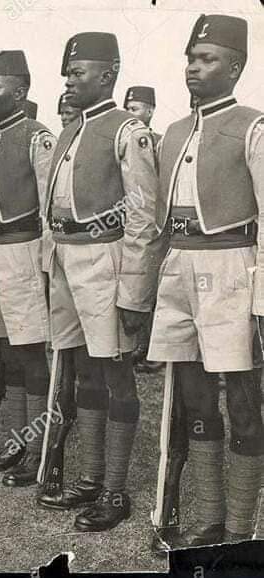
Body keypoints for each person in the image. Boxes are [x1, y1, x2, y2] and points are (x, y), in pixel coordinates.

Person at [148, 14, 263, 549]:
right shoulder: (173, 133)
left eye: (207, 59)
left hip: (232, 267)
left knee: (242, 401)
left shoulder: (253, 127)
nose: (194, 68)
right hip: (178, 265)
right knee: (194, 398)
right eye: (191, 59)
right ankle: (210, 518)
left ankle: (241, 528)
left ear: (235, 67)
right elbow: (154, 222)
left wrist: (261, 300)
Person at [40, 32, 162, 531]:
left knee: (115, 373)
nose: (68, 81)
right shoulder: (69, 129)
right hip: (65, 256)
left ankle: (115, 490)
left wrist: (133, 293)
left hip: (105, 258)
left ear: (107, 74)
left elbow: (143, 217)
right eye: (67, 73)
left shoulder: (127, 131)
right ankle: (90, 477)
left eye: (78, 72)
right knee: (82, 369)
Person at [0, 50, 56, 488]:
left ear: (20, 92)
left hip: (23, 250)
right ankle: (18, 440)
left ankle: (38, 450)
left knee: (30, 352)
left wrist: (47, 266)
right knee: (2, 350)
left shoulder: (38, 137)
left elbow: (49, 208)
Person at [123, 85, 164, 374]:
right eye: (127, 108)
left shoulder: (159, 142)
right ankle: (141, 344)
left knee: (155, 289)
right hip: (129, 222)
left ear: (150, 111)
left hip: (156, 224)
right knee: (135, 289)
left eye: (135, 108)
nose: (130, 113)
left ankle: (154, 350)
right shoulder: (124, 139)